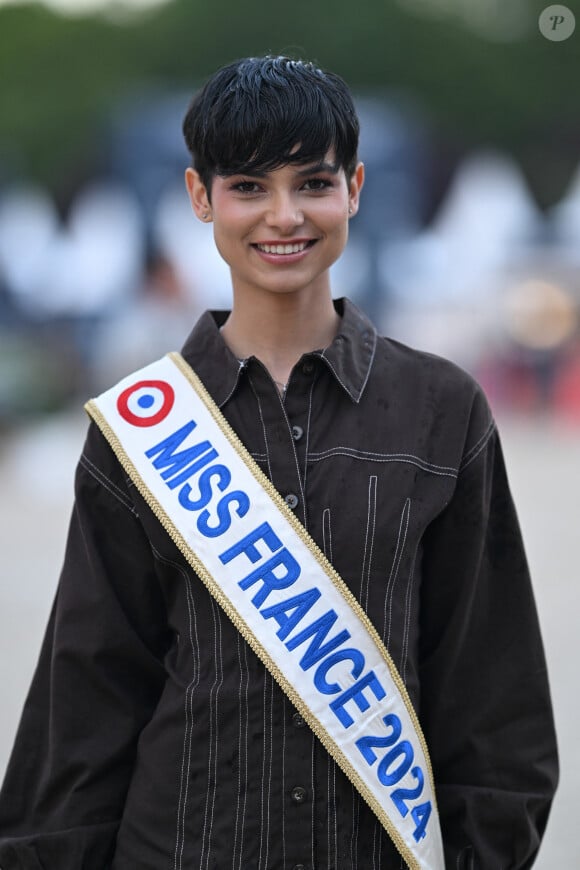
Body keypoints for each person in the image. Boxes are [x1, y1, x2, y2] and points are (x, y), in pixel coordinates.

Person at [0, 56, 558, 870]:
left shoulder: (443, 410)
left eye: (313, 183)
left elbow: (493, 696)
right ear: (200, 197)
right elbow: (85, 702)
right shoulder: (139, 426)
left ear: (356, 189)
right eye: (250, 187)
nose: (284, 216)